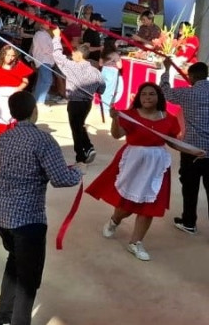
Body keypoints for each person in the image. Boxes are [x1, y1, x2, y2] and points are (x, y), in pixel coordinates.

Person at [0, 91, 83, 325]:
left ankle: (1, 316)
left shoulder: (3, 138)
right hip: (27, 219)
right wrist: (78, 171)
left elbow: (3, 162)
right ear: (35, 110)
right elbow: (61, 178)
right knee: (28, 278)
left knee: (14, 262)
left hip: (1, 213)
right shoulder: (43, 140)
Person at [86, 83, 201, 261]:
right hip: (133, 162)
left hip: (157, 165)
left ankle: (135, 242)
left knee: (150, 205)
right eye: (144, 94)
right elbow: (117, 135)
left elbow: (172, 142)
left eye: (152, 94)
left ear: (158, 97)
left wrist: (192, 150)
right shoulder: (129, 115)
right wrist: (115, 119)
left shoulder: (169, 118)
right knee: (126, 206)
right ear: (139, 97)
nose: (147, 97)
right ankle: (115, 220)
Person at [161, 60, 209, 235]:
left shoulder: (187, 94)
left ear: (192, 77)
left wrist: (166, 70)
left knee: (190, 187)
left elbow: (164, 92)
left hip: (192, 150)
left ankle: (189, 222)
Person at [51, 27, 106, 164]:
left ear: (79, 55)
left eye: (74, 53)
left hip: (75, 102)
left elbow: (57, 55)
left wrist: (57, 37)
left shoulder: (71, 66)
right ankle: (88, 147)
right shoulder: (95, 72)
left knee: (75, 128)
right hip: (87, 103)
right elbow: (102, 89)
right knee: (79, 125)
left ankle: (81, 155)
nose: (72, 54)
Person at [0, 45, 33, 136]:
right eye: (7, 55)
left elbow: (25, 82)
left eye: (13, 56)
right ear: (3, 55)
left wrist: (17, 90)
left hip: (14, 100)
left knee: (12, 127)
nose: (10, 58)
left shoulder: (19, 66)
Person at [30, 23, 55, 106]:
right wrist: (55, 51)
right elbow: (46, 49)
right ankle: (40, 102)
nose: (49, 24)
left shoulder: (43, 34)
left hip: (44, 60)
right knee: (47, 80)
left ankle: (37, 99)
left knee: (41, 80)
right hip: (44, 60)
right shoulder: (41, 35)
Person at [99, 42, 124, 113]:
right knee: (109, 91)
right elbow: (120, 66)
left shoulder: (103, 53)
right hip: (112, 72)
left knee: (104, 90)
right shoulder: (115, 54)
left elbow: (100, 63)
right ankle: (106, 110)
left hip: (104, 70)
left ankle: (101, 107)